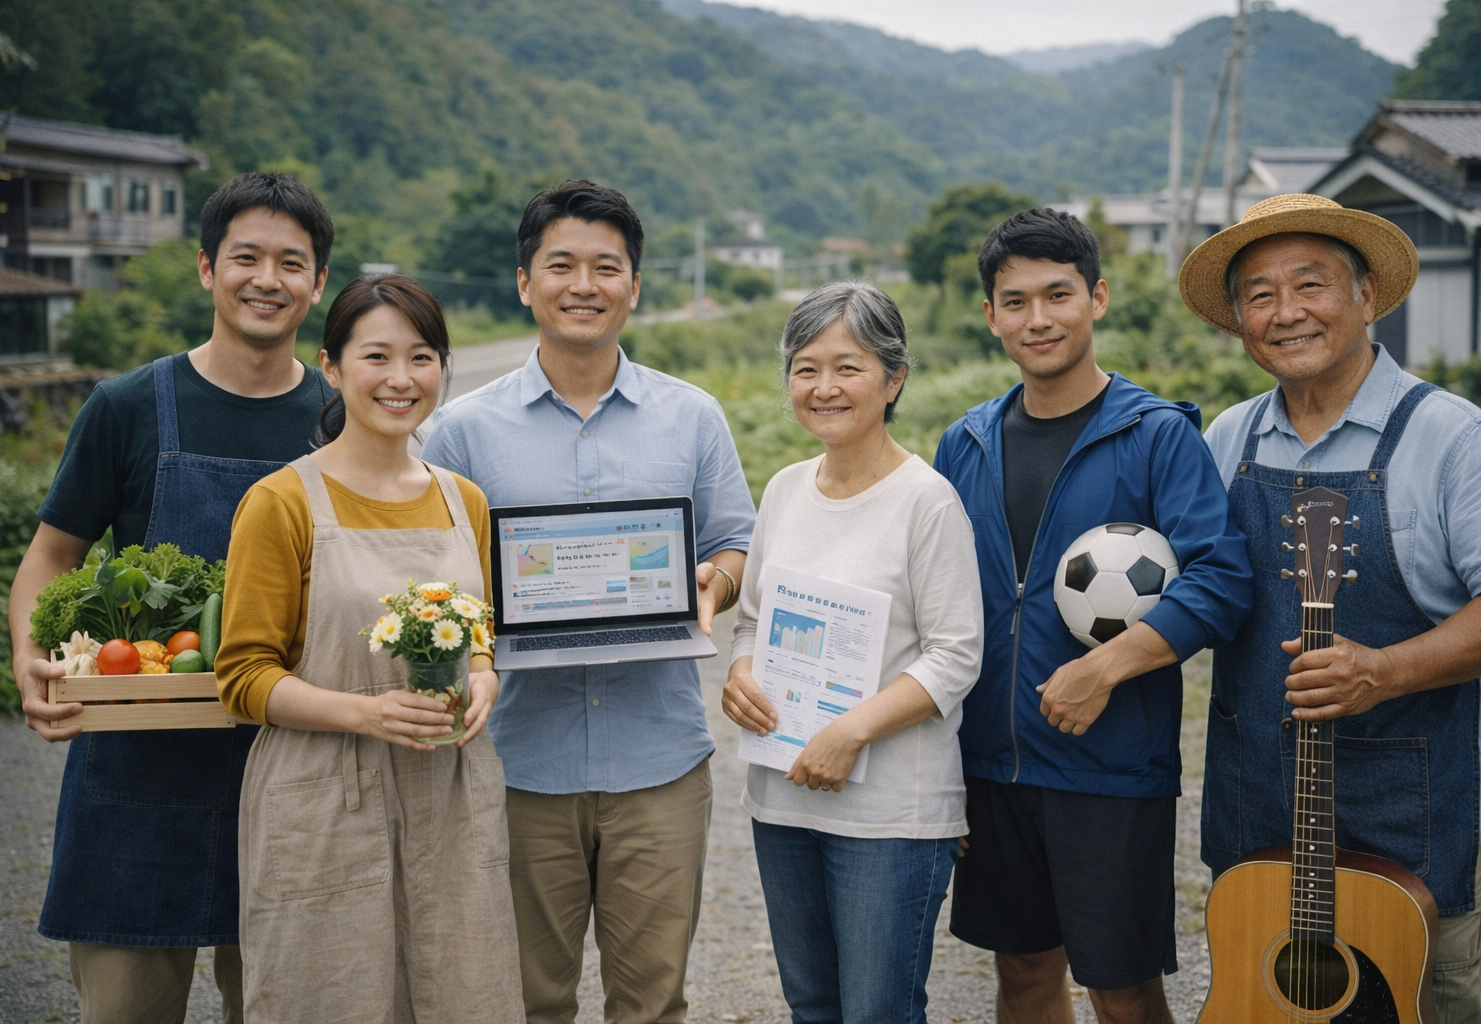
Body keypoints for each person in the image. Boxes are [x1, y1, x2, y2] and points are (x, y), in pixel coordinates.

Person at [1180, 192, 1481, 1024]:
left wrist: (1383, 670)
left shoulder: (1452, 437)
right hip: (1262, 782)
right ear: (1237, 319)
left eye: (1311, 284)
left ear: (1367, 295)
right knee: (1267, 991)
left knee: (1425, 997)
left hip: (1417, 788)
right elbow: (1191, 590)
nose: (1287, 312)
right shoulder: (1227, 441)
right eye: (1259, 295)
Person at [420, 179, 754, 1024]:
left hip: (660, 762)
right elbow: (437, 579)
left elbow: (734, 542)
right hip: (518, 762)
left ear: (634, 286)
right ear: (525, 282)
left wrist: (712, 581)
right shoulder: (462, 430)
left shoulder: (693, 417)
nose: (584, 285)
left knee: (653, 1003)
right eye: (560, 264)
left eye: (606, 267)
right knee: (526, 999)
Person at [7, 172, 333, 1024]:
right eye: (245, 257)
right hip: (136, 766)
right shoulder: (125, 407)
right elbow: (50, 558)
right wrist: (28, 657)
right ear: (205, 269)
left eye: (291, 263)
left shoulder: (341, 418)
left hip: (292, 767)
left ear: (318, 283)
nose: (267, 279)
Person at [931, 208, 1252, 1024]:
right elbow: (934, 603)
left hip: (1107, 767)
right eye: (1015, 301)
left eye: (1058, 294)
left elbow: (1219, 577)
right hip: (992, 768)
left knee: (1122, 986)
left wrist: (1104, 667)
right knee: (1024, 973)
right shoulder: (964, 443)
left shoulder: (1156, 434)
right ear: (990, 315)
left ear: (1097, 298)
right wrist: (940, 764)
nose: (1037, 319)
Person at [214, 273, 521, 1022]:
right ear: (331, 366)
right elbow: (243, 678)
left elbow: (478, 637)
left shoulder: (463, 500)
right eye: (376, 357)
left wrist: (484, 677)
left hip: (448, 788)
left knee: (463, 988)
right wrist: (367, 712)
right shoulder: (281, 501)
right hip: (323, 793)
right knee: (329, 992)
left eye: (422, 358)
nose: (401, 379)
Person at [721, 281, 983, 1024]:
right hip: (782, 794)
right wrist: (740, 674)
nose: (824, 387)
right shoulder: (783, 489)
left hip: (890, 817)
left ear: (894, 379)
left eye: (849, 367)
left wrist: (850, 731)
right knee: (812, 1005)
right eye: (805, 368)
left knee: (877, 1012)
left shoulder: (925, 500)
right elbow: (750, 624)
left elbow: (957, 655)